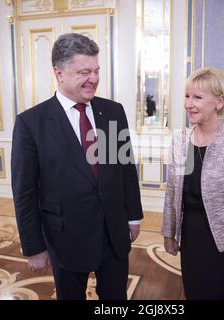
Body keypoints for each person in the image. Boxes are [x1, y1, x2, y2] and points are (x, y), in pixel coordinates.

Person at [11, 33, 143, 300]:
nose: (93, 79)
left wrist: (133, 216)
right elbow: (24, 192)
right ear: (59, 73)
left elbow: (125, 167)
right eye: (84, 72)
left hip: (113, 234)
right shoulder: (31, 123)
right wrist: (34, 246)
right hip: (65, 240)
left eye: (96, 71)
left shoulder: (113, 111)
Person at [161, 67, 224, 300]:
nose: (189, 103)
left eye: (197, 97)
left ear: (219, 102)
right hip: (190, 238)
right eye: (187, 96)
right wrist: (169, 232)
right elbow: (172, 193)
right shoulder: (180, 141)